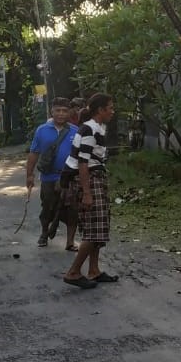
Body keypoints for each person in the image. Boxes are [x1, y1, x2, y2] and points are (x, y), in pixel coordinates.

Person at [62, 93, 119, 288]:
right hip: (88, 180)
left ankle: (94, 270)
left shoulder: (98, 128)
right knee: (94, 230)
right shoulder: (88, 130)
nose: (113, 111)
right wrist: (87, 193)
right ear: (100, 110)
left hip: (95, 178)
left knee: (99, 228)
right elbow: (82, 163)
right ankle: (74, 272)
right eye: (110, 107)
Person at [25, 97, 79, 249]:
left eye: (64, 111)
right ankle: (44, 234)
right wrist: (29, 174)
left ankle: (70, 241)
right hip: (49, 177)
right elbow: (34, 153)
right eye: (58, 111)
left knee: (72, 209)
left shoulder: (75, 131)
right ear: (52, 111)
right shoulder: (42, 131)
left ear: (69, 113)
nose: (61, 114)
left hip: (69, 177)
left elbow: (80, 157)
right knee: (47, 206)